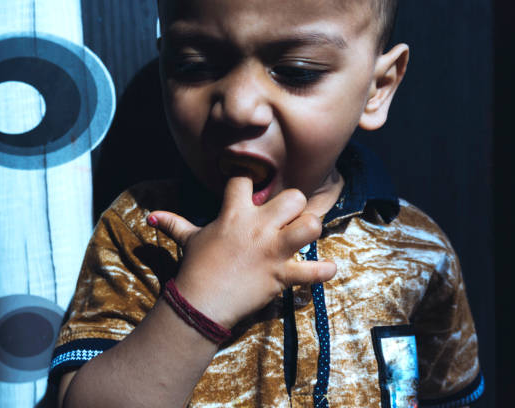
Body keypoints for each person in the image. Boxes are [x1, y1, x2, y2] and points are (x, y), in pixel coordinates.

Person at [50, 0, 484, 406]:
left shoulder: (414, 247)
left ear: (378, 88)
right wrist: (201, 300)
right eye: (192, 66)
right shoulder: (142, 231)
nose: (238, 108)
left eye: (296, 71)